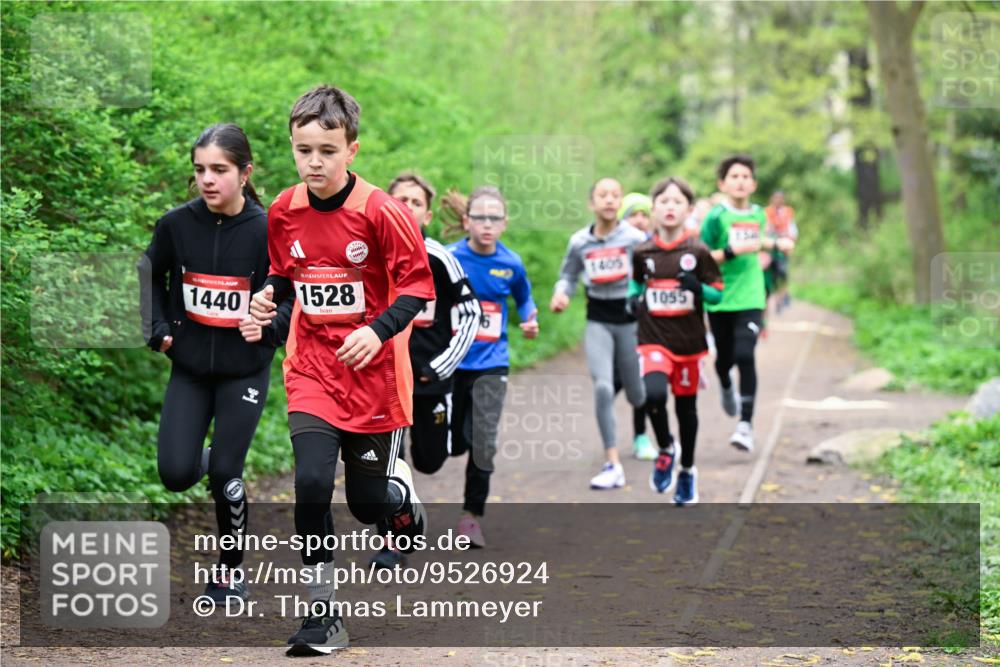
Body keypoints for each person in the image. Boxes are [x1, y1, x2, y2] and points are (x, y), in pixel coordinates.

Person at [247, 86, 436, 655]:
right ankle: (323, 614)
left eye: (327, 150)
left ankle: (401, 506)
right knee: (308, 483)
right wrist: (267, 296)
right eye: (304, 150)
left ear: (352, 149)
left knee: (366, 504)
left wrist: (374, 330)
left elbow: (416, 289)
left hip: (374, 375)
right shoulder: (282, 209)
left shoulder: (383, 212)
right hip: (312, 368)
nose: (314, 163)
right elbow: (285, 273)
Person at [138, 123, 292, 602]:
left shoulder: (270, 232)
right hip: (189, 368)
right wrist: (158, 330)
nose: (208, 179)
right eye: (200, 169)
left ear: (245, 173)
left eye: (219, 170)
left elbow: (291, 297)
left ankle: (230, 570)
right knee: (176, 473)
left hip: (243, 370)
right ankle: (207, 458)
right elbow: (149, 273)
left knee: (227, 473)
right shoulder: (176, 225)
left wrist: (268, 328)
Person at [369, 172, 481, 570]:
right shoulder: (371, 254)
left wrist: (440, 366)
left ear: (428, 215)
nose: (407, 207)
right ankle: (393, 541)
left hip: (432, 381)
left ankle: (457, 422)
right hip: (385, 382)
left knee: (431, 460)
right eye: (399, 200)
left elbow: (472, 313)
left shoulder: (440, 258)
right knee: (388, 463)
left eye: (415, 202)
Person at [443, 185, 538, 548]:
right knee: (454, 443)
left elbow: (525, 300)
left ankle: (471, 517)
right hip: (450, 361)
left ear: (504, 223)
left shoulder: (510, 264)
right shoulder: (449, 258)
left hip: (491, 363)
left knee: (484, 444)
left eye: (494, 218)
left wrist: (530, 320)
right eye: (479, 217)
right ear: (466, 220)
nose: (487, 224)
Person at [630, 177, 723, 506]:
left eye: (677, 202)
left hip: (689, 343)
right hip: (653, 337)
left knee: (686, 409)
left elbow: (717, 295)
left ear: (689, 210)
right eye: (664, 202)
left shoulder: (697, 251)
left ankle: (687, 470)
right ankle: (666, 446)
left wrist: (699, 289)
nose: (670, 207)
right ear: (653, 209)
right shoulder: (643, 251)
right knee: (652, 394)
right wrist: (633, 298)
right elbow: (636, 285)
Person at [551, 178, 648, 486]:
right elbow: (567, 275)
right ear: (592, 203)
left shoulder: (635, 238)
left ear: (620, 202)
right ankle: (612, 463)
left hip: (631, 320)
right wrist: (561, 293)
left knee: (637, 393)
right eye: (602, 195)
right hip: (598, 320)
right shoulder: (580, 241)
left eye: (615, 195)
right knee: (604, 387)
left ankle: (649, 432)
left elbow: (653, 272)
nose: (609, 200)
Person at [699, 155, 786, 452]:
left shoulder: (760, 215)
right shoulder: (715, 217)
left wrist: (774, 246)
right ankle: (724, 382)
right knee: (724, 359)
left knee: (745, 353)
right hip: (720, 296)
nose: (740, 181)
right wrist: (732, 251)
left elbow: (761, 240)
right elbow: (702, 257)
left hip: (751, 295)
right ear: (722, 183)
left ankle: (745, 426)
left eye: (745, 176)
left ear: (754, 183)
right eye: (733, 176)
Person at [616, 192, 657, 459]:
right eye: (633, 215)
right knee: (612, 381)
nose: (639, 221)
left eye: (644, 215)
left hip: (645, 325)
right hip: (613, 323)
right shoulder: (611, 246)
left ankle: (641, 436)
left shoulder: (656, 248)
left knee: (642, 380)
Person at [763, 191, 798, 314]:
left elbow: (793, 230)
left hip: (782, 251)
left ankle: (781, 298)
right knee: (768, 279)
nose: (778, 200)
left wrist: (789, 240)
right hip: (768, 251)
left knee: (782, 275)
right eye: (775, 198)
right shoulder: (766, 212)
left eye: (780, 198)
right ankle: (769, 302)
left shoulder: (788, 212)